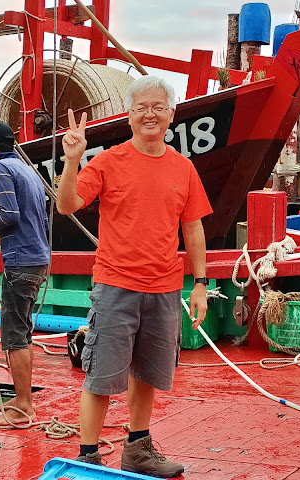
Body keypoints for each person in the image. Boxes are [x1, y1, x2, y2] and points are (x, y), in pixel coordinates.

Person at [56, 76, 213, 478]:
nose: (150, 114)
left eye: (159, 107)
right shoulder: (107, 161)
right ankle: (88, 457)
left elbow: (193, 228)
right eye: (141, 107)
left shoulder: (184, 168)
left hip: (164, 288)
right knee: (101, 376)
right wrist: (73, 159)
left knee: (147, 374)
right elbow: (67, 204)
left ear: (171, 115)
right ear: (128, 116)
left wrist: (200, 284)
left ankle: (138, 449)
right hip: (115, 286)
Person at [0, 121, 50, 426]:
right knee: (24, 334)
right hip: (37, 259)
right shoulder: (28, 169)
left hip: (21, 263)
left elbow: (11, 215)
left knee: (15, 337)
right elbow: (32, 220)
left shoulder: (0, 169)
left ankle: (23, 405)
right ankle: (22, 399)